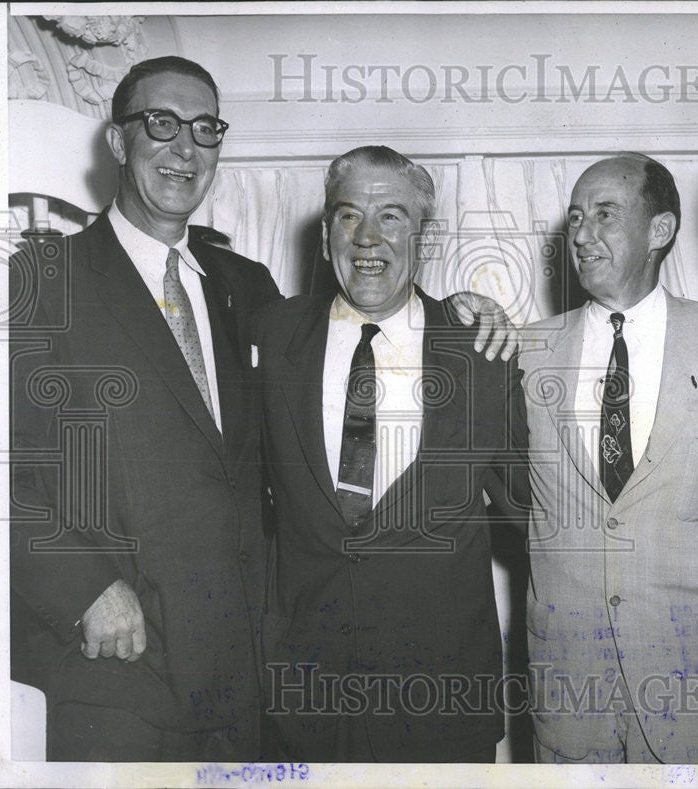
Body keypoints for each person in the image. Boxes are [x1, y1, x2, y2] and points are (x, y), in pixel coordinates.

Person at [9, 56, 281, 761]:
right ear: (118, 142)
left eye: (205, 128)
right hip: (114, 674)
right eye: (161, 123)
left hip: (244, 682)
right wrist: (84, 586)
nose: (185, 148)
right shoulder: (39, 280)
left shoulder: (248, 287)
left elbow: (337, 369)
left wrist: (455, 317)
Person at [257, 145, 530, 763]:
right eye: (349, 215)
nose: (367, 238)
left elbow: (536, 512)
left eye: (392, 217)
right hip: (303, 699)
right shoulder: (269, 337)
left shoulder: (482, 353)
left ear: (423, 236)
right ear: (326, 232)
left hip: (440, 705)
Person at [520, 154, 698, 763]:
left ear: (660, 231)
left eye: (605, 214)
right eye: (576, 216)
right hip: (571, 692)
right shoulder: (521, 353)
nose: (580, 234)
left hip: (696, 690)